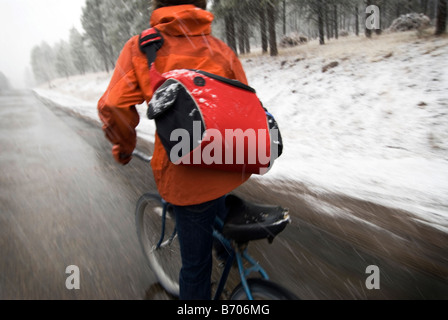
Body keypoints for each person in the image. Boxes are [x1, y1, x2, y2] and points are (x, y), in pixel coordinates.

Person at [98, 0, 252, 300]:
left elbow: (114, 105)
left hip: (185, 175)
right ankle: (227, 249)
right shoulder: (218, 48)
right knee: (216, 200)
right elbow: (243, 102)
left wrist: (125, 146)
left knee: (194, 269)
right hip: (225, 161)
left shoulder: (142, 49)